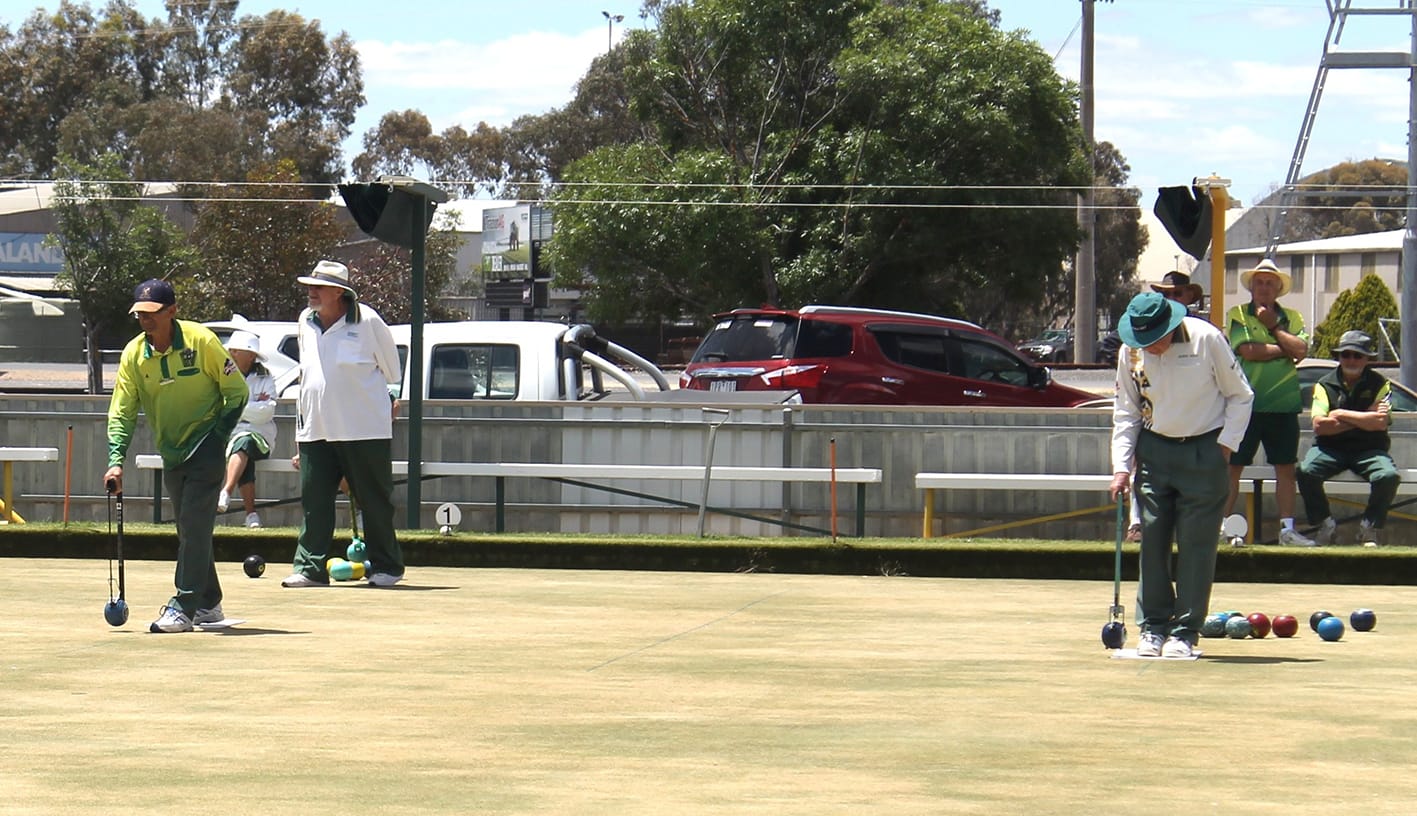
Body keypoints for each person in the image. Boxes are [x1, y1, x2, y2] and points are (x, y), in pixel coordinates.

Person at [1109, 292, 1253, 658]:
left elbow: (1241, 395)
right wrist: (1121, 467)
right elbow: (1126, 410)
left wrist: (1225, 446)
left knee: (1197, 544)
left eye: (1154, 338)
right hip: (1155, 449)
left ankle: (1185, 632)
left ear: (1171, 326)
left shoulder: (1206, 338)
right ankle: (1153, 628)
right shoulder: (1132, 350)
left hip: (1205, 447)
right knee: (1153, 540)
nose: (1150, 346)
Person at [104, 279, 249, 632]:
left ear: (172, 311)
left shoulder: (202, 341)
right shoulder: (134, 355)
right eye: (140, 312)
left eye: (152, 313)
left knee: (195, 525)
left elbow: (237, 392)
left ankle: (183, 606)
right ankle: (209, 604)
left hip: (205, 447)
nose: (145, 319)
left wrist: (217, 438)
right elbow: (122, 411)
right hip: (172, 451)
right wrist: (116, 459)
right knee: (189, 529)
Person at [281, 260, 405, 588]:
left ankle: (387, 567)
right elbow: (308, 377)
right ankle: (310, 568)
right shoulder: (305, 321)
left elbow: (393, 372)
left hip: (364, 428)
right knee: (314, 500)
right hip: (315, 428)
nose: (311, 292)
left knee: (375, 500)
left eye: (318, 287)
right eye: (309, 286)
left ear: (339, 292)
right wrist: (299, 434)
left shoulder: (368, 320)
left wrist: (391, 400)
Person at [1223, 258, 1313, 546]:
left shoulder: (1293, 317)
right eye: (1259, 282)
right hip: (1245, 404)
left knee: (1285, 469)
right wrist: (1285, 348)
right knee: (1231, 467)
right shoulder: (1237, 313)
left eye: (1269, 283)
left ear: (1277, 289)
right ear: (1251, 287)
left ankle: (1287, 530)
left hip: (1283, 406)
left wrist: (1274, 327)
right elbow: (1249, 351)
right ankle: (1221, 528)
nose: (1263, 287)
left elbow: (1301, 351)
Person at [1124, 270, 1211, 542]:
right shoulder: (1136, 342)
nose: (1171, 298)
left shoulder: (1204, 334)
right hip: (1152, 426)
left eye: (1177, 294)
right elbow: (1127, 404)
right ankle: (1136, 523)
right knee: (1138, 465)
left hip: (1197, 437)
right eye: (1165, 294)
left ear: (1189, 297)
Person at [1297, 330, 1400, 547]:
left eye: (1357, 355)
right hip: (1330, 449)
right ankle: (1325, 525)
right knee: (1306, 471)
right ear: (1339, 357)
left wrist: (1340, 414)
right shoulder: (1324, 385)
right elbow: (1319, 426)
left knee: (1388, 476)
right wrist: (1366, 416)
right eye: (1346, 354)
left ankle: (1369, 528)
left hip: (1370, 450)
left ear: (1367, 359)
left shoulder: (1382, 384)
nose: (1351, 360)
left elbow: (1381, 422)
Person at [217, 330, 277, 528]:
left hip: (261, 437)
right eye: (231, 350)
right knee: (243, 453)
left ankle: (226, 491)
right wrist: (252, 406)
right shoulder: (222, 375)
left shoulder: (266, 378)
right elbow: (217, 408)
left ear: (251, 356)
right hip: (228, 437)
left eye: (236, 351)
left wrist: (235, 407)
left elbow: (266, 413)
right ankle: (251, 515)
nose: (231, 354)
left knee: (245, 441)